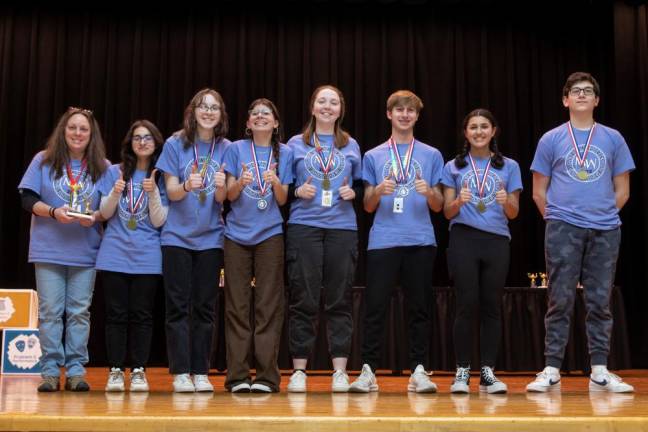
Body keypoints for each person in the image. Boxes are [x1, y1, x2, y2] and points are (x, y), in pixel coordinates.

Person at [527, 72, 635, 393]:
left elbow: (623, 189)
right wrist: (560, 219)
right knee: (559, 299)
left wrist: (600, 216)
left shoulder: (613, 138)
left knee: (600, 300)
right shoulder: (551, 139)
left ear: (597, 100)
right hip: (563, 228)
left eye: (589, 91)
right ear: (566, 100)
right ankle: (551, 368)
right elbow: (537, 191)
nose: (583, 95)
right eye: (576, 91)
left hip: (605, 229)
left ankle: (600, 369)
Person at [349, 90, 444, 393]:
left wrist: (429, 192)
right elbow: (367, 205)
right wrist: (377, 190)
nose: (405, 115)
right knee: (375, 306)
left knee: (419, 308)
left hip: (420, 240)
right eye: (399, 110)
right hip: (383, 241)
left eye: (410, 111)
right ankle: (368, 371)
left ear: (417, 116)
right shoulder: (374, 155)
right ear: (389, 114)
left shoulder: (431, 155)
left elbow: (440, 205)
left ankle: (418, 369)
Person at [18, 107, 108, 392]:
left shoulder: (103, 166)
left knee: (80, 312)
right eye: (73, 128)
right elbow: (27, 199)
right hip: (48, 249)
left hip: (85, 250)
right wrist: (55, 212)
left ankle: (77, 371)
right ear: (63, 131)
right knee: (50, 312)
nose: (78, 133)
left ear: (91, 135)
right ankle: (48, 371)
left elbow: (108, 208)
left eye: (84, 129)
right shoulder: (43, 160)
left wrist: (95, 217)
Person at [286, 85, 363, 393]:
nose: (328, 106)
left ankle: (340, 371)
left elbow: (358, 185)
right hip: (304, 225)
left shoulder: (352, 145)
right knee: (302, 297)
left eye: (334, 102)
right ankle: (299, 371)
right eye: (322, 101)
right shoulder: (294, 144)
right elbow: (281, 186)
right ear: (313, 107)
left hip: (342, 227)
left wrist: (353, 192)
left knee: (339, 298)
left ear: (340, 109)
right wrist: (296, 191)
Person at [441, 109, 522, 394]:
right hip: (464, 238)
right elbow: (446, 211)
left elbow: (514, 212)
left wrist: (505, 200)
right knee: (466, 304)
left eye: (484, 126)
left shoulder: (509, 166)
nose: (478, 132)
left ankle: (487, 371)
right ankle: (462, 370)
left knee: (491, 305)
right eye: (473, 127)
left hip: (497, 240)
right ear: (466, 133)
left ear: (493, 131)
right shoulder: (453, 166)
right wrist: (459, 202)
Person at [155, 88, 229, 393]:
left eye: (215, 107)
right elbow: (171, 191)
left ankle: (201, 371)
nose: (208, 112)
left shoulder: (227, 147)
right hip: (176, 237)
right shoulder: (175, 143)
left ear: (221, 114)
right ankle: (181, 372)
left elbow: (224, 199)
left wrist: (222, 186)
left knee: (204, 307)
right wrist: (187, 184)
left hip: (211, 237)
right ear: (193, 110)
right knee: (177, 306)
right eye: (203, 106)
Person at [222, 98, 293, 393]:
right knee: (237, 306)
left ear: (275, 123)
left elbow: (282, 199)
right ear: (248, 123)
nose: (261, 117)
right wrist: (240, 182)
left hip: (269, 235)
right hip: (236, 235)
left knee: (268, 305)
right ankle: (237, 376)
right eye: (255, 114)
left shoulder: (285, 152)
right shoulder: (234, 149)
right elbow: (227, 194)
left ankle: (266, 377)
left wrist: (275, 181)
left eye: (267, 114)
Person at [96, 120, 167, 392]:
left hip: (148, 256)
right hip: (114, 253)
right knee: (115, 314)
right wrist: (115, 192)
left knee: (142, 315)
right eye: (137, 137)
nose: (142, 142)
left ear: (156, 143)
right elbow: (103, 213)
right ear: (130, 142)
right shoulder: (114, 171)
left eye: (148, 138)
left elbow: (160, 221)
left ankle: (138, 370)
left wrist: (152, 196)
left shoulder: (162, 175)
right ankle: (115, 369)